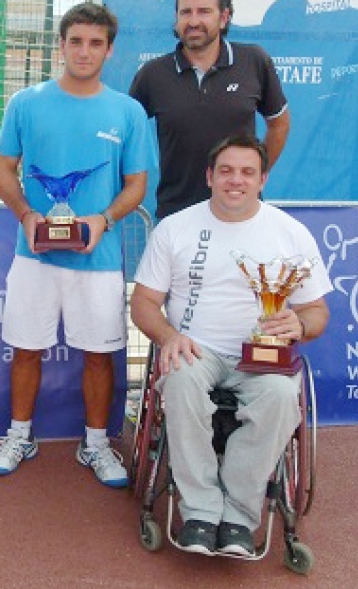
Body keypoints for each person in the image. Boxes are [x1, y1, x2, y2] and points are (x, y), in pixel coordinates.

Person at [129, 133, 331, 556]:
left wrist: (297, 323)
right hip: (196, 350)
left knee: (280, 395)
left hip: (263, 357)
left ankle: (239, 516)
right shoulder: (176, 228)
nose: (234, 180)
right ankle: (201, 511)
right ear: (209, 176)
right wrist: (169, 336)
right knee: (180, 382)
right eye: (225, 171)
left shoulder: (290, 234)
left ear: (262, 179)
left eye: (246, 172)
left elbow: (317, 312)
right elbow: (144, 303)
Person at [0, 2, 153, 487]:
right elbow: (2, 169)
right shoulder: (26, 102)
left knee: (99, 355)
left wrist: (102, 220)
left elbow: (136, 185)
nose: (84, 51)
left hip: (98, 258)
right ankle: (20, 434)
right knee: (26, 348)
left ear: (109, 49)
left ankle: (96, 444)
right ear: (61, 45)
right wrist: (26, 215)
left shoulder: (128, 111)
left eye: (95, 43)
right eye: (75, 41)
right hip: (35, 254)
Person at [129, 0, 291, 220]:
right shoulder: (152, 74)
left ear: (224, 17)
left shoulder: (254, 61)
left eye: (204, 11)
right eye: (186, 13)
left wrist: (254, 173)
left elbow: (279, 124)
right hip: (176, 215)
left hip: (241, 213)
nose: (193, 21)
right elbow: (127, 136)